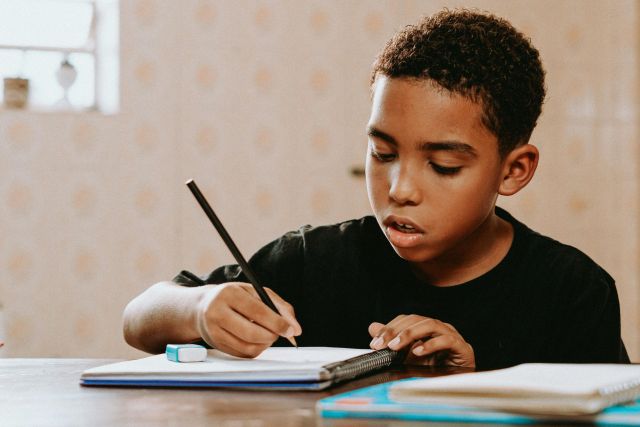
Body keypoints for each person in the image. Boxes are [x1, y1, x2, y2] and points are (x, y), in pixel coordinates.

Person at [123, 9, 629, 369]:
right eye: (383, 154)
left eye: (444, 165)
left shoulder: (572, 293)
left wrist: (471, 386)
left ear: (513, 170)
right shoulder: (311, 261)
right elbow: (140, 317)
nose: (400, 188)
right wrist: (199, 309)